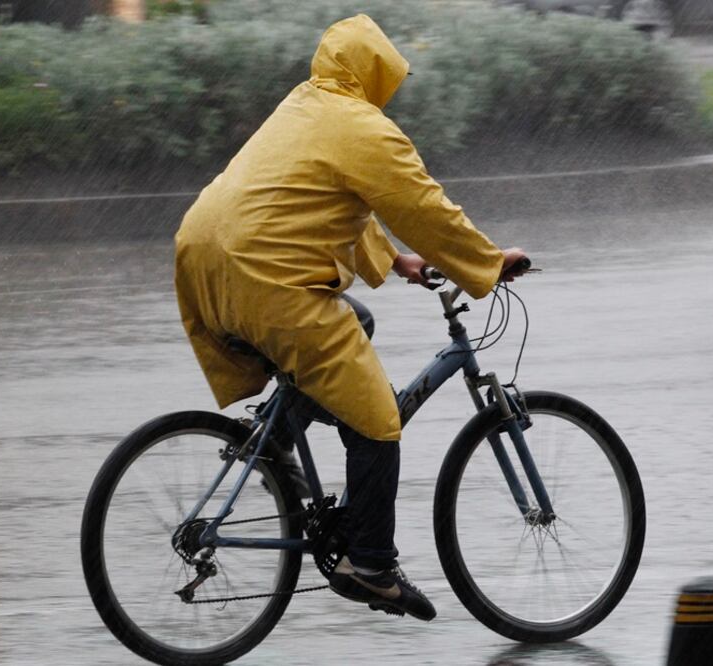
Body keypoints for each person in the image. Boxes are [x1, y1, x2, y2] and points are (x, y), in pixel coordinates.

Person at [174, 13, 528, 622]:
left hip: (202, 260)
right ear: (372, 75)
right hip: (267, 280)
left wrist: (398, 261)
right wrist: (487, 265)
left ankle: (274, 444)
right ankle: (369, 563)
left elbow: (326, 197)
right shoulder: (362, 125)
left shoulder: (304, 106)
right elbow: (422, 206)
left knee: (354, 325)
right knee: (378, 419)